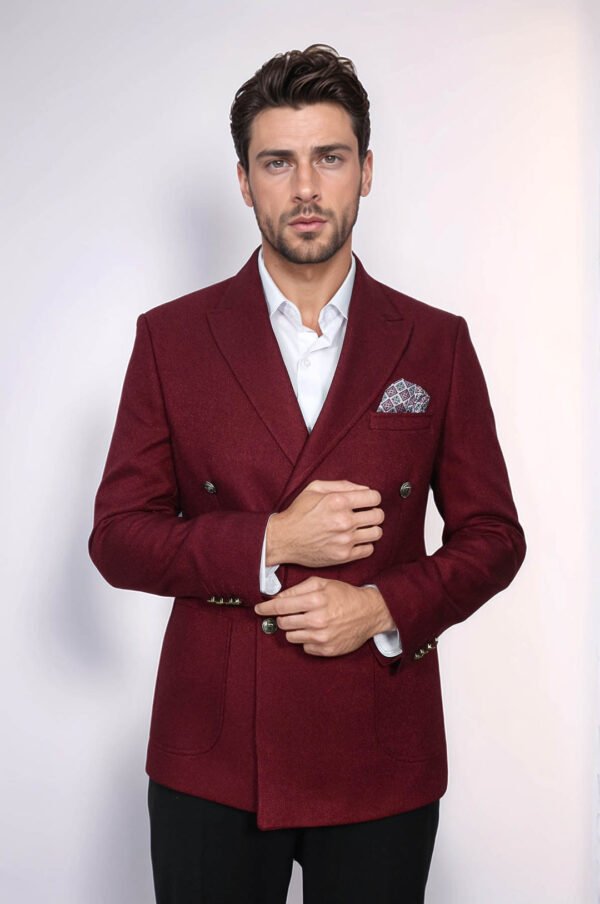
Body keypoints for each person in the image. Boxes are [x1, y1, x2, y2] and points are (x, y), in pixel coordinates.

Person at [89, 44, 526, 904]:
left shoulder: (435, 342)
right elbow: (118, 540)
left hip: (378, 746)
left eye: (329, 157)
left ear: (367, 171)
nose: (305, 188)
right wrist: (271, 539)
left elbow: (494, 537)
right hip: (213, 756)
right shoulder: (170, 339)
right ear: (244, 181)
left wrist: (382, 608)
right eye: (277, 162)